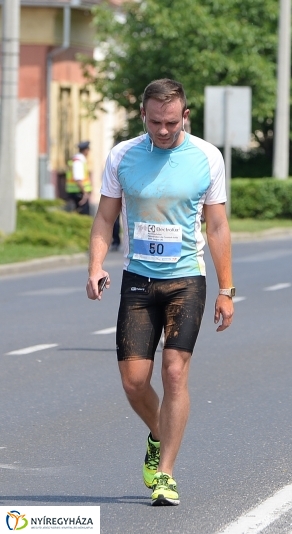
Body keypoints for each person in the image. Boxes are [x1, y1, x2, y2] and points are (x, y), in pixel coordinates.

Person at [85, 79, 234, 506]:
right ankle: (158, 432)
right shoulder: (123, 155)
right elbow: (105, 218)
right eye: (155, 122)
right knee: (134, 382)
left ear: (185, 116)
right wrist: (95, 266)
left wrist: (227, 288)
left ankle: (165, 473)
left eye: (171, 122)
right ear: (143, 117)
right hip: (138, 278)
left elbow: (218, 226)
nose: (163, 130)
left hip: (186, 278)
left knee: (173, 372)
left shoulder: (207, 157)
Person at [66, 141, 92, 215]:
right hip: (79, 193)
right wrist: (85, 193)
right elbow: (78, 179)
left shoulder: (76, 160)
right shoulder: (78, 162)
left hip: (77, 192)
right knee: (84, 215)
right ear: (85, 150)